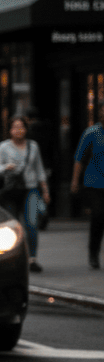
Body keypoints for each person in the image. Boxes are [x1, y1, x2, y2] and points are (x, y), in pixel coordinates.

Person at [0, 116, 50, 273]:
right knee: (12, 227)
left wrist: (45, 190)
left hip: (30, 189)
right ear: (10, 130)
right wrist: (6, 167)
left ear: (26, 129)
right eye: (15, 127)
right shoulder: (3, 147)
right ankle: (11, 259)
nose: (18, 130)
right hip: (10, 191)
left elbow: (39, 169)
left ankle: (32, 259)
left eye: (21, 127)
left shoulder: (33, 146)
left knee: (31, 224)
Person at [71, 101, 104, 269]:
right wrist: (75, 181)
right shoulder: (91, 133)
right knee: (98, 216)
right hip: (94, 182)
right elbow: (79, 159)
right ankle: (93, 252)